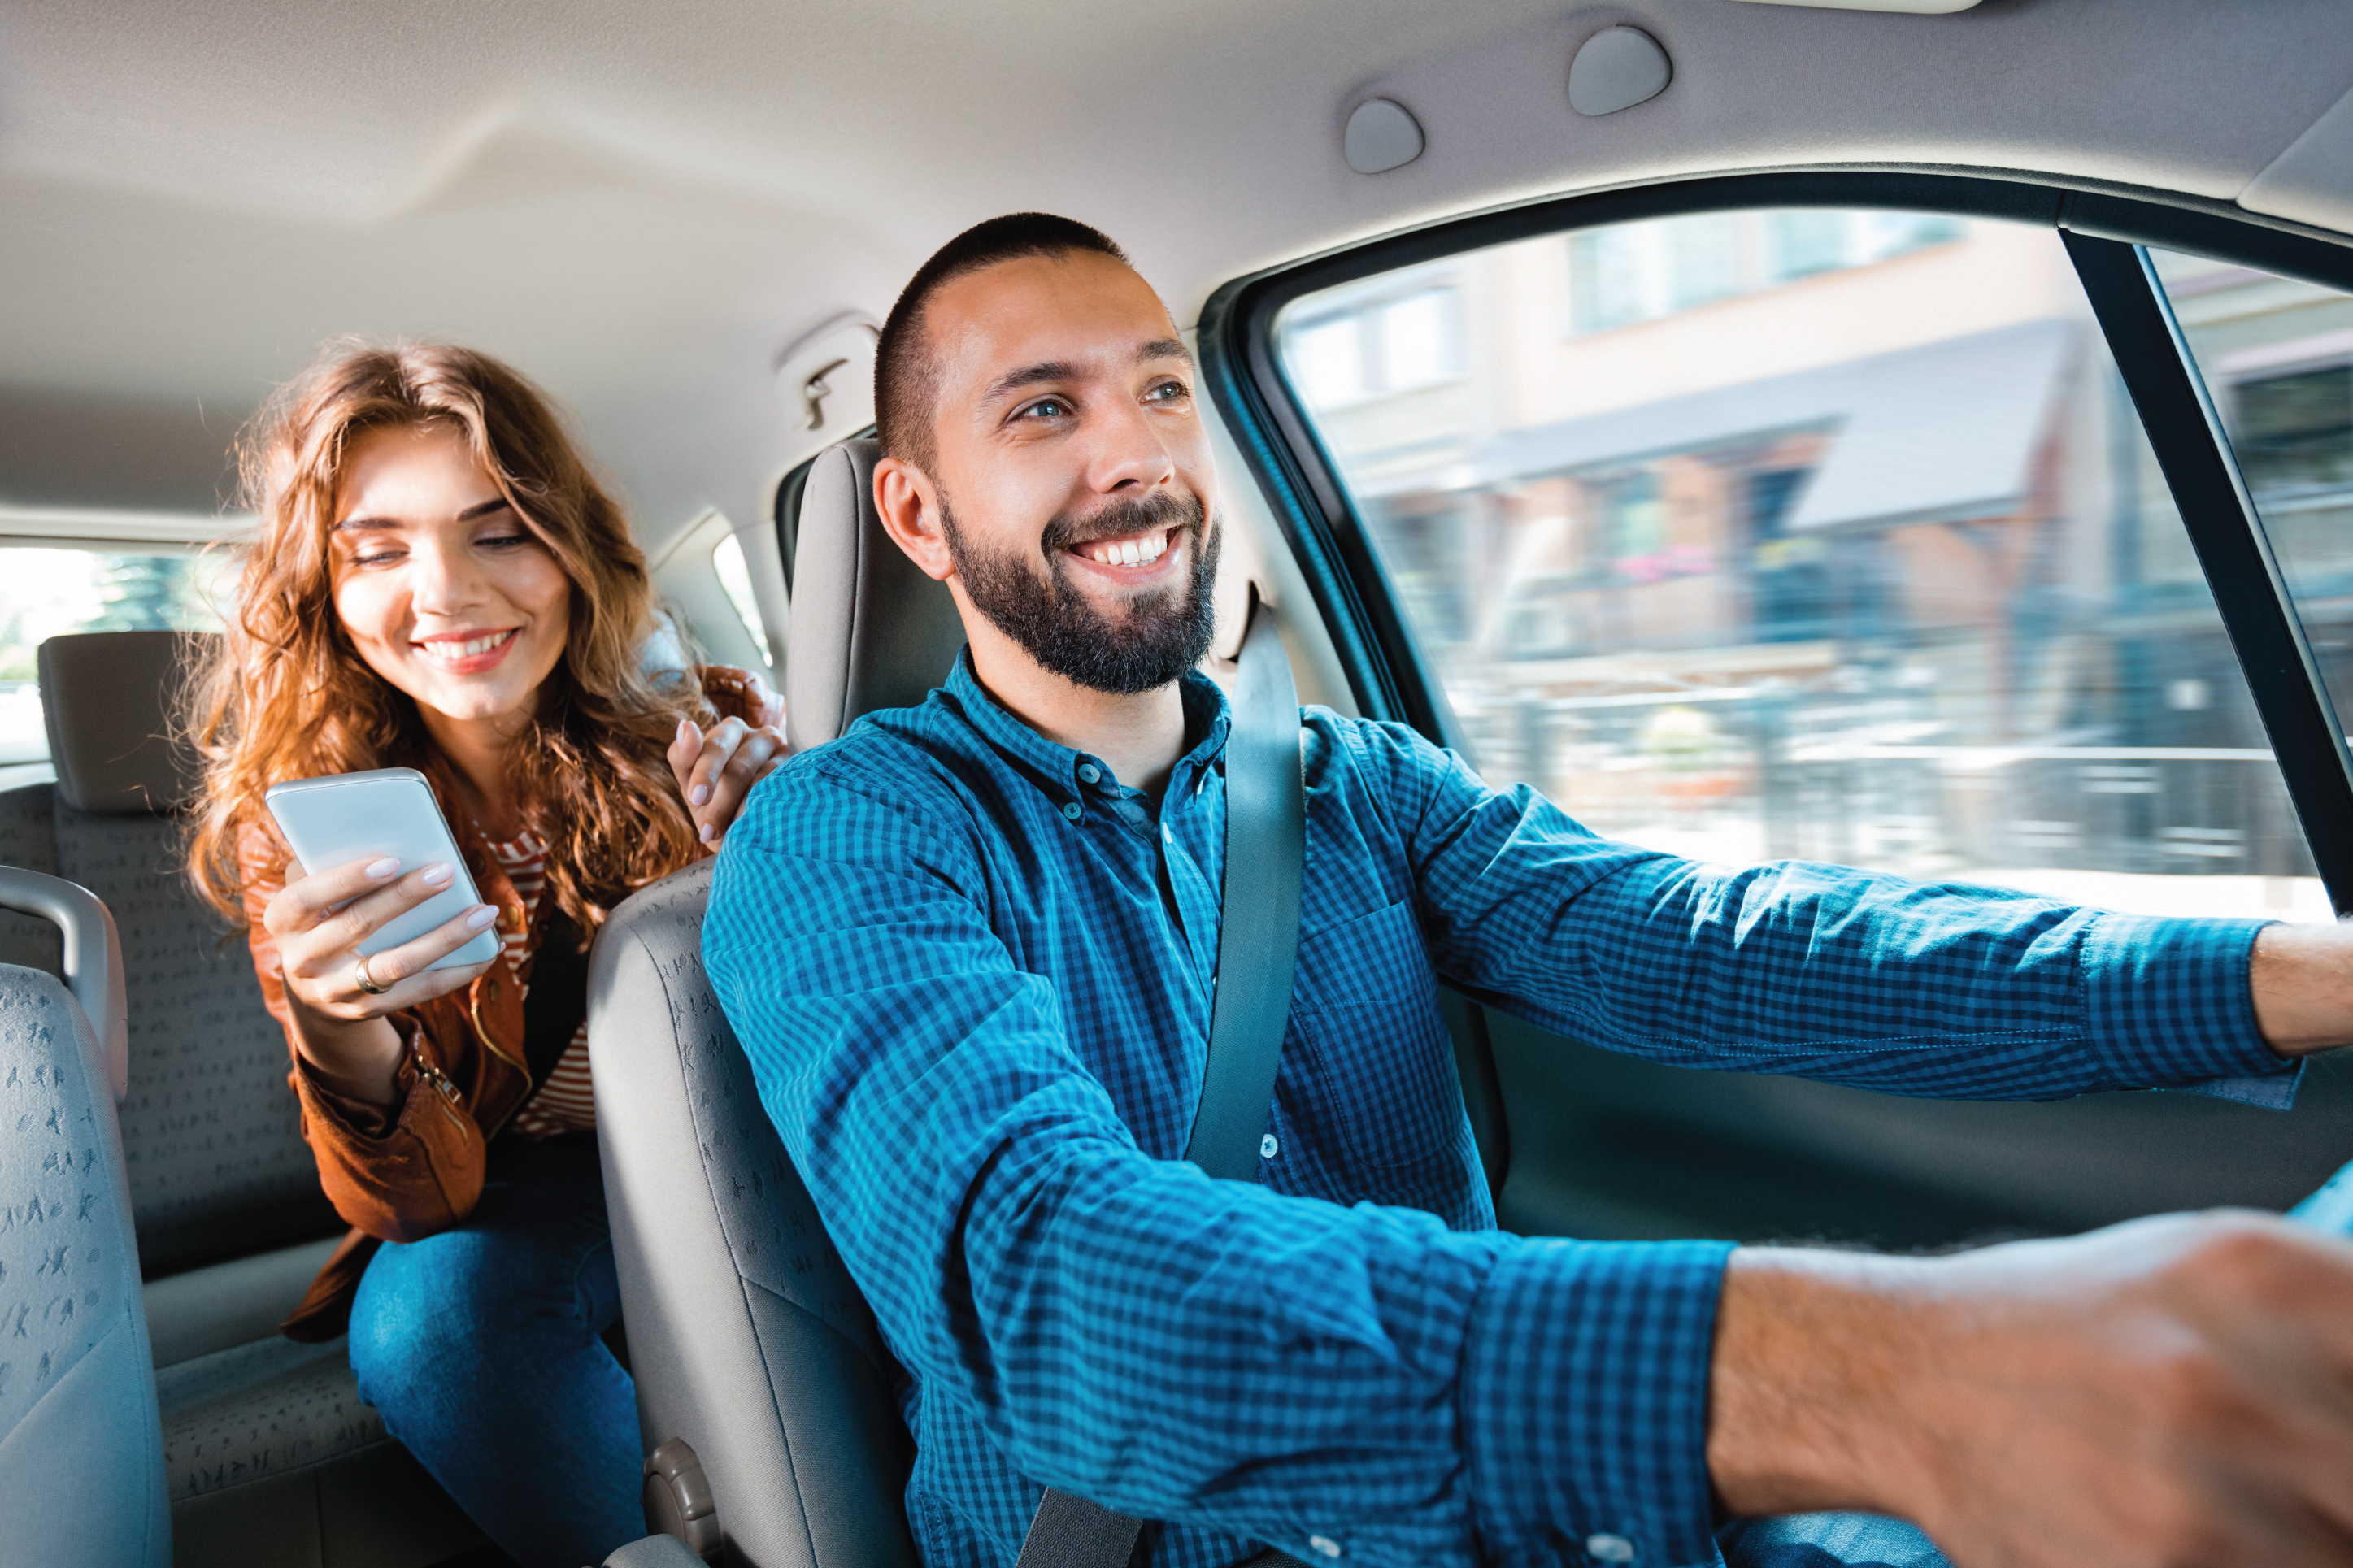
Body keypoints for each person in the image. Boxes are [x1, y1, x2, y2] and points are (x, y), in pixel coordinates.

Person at [702, 215, 2353, 1568]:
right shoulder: (844, 841)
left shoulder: (1355, 782)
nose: (1135, 461)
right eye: (1042, 410)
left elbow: (1728, 949)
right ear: (914, 512)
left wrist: (2298, 968)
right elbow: (1059, 1281)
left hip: (1534, 1522)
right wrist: (1892, 1371)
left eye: (1158, 392)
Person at [184, 340, 787, 1567]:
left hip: (729, 1135)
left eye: (499, 528)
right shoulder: (297, 830)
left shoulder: (707, 731)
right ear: (322, 590)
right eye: (377, 548)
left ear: (573, 550)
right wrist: (336, 1022)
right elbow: (419, 1204)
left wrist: (770, 866)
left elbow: (821, 1042)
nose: (446, 592)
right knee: (429, 1327)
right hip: (520, 1187)